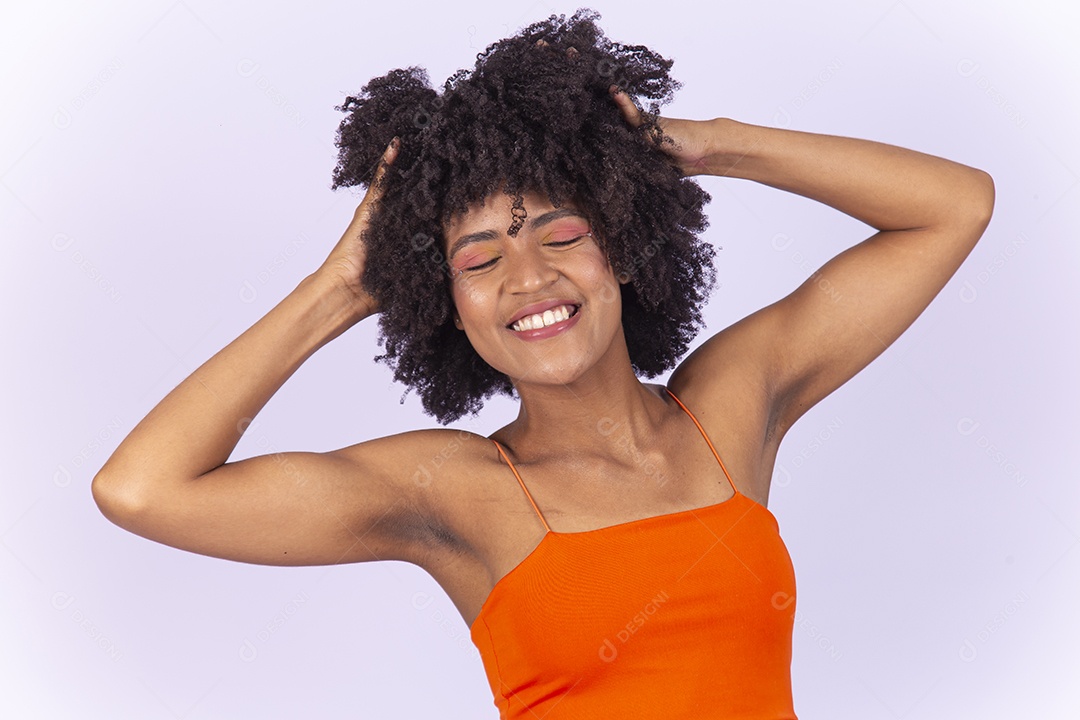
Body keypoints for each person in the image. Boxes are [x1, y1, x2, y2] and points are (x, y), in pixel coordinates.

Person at [91, 9, 994, 719]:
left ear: (624, 246)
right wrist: (340, 287)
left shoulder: (727, 410)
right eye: (479, 260)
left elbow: (954, 205)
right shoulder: (451, 488)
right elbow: (141, 488)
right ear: (447, 303)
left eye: (563, 233)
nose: (529, 277)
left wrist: (700, 144)